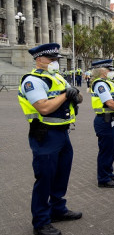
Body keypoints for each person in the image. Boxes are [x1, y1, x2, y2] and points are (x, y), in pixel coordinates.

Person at [18, 43, 83, 235]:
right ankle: (40, 222)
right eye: (52, 60)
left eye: (57, 60)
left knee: (61, 175)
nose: (55, 63)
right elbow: (44, 107)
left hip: (62, 133)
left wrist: (72, 94)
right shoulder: (32, 81)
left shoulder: (57, 78)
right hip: (45, 135)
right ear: (39, 60)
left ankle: (58, 209)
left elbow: (78, 98)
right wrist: (66, 95)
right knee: (45, 179)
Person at [90, 59, 114, 188]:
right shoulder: (100, 84)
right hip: (104, 120)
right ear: (101, 70)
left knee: (112, 149)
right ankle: (103, 178)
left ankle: (109, 172)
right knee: (106, 150)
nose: (111, 72)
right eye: (109, 69)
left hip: (111, 119)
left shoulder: (109, 83)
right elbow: (109, 102)